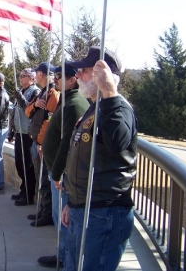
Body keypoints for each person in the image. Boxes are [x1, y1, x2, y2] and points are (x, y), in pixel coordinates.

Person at [61, 47, 137, 271]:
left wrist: (109, 92)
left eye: (85, 70)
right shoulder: (95, 107)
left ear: (101, 74)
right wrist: (71, 202)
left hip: (103, 212)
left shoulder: (118, 106)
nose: (78, 76)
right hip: (82, 208)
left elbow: (117, 143)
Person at [36, 63, 90, 268]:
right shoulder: (68, 101)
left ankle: (65, 259)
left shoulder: (75, 104)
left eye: (60, 76)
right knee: (62, 221)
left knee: (65, 222)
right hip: (58, 171)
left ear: (72, 80)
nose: (55, 79)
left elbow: (68, 142)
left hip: (63, 175)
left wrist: (57, 173)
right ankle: (62, 254)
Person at [24, 62, 59, 225]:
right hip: (35, 141)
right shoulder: (42, 94)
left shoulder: (53, 94)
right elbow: (27, 111)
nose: (35, 75)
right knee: (40, 178)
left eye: (36, 73)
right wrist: (36, 104)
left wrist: (42, 142)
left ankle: (47, 215)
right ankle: (42, 210)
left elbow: (50, 120)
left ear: (42, 74)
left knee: (45, 180)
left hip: (41, 144)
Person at [9, 68, 41, 206]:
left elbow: (30, 109)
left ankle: (29, 194)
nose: (21, 78)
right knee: (19, 164)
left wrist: (19, 97)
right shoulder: (21, 92)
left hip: (28, 133)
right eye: (20, 76)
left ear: (32, 78)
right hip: (19, 132)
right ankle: (23, 189)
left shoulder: (35, 92)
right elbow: (15, 112)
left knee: (28, 165)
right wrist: (11, 130)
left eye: (24, 76)